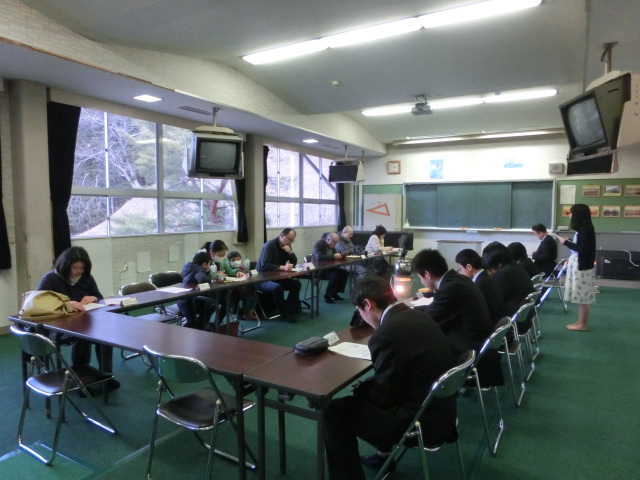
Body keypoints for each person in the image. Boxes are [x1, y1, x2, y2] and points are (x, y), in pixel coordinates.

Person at [323, 277, 456, 480]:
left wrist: (365, 389)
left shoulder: (386, 334)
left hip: (419, 421)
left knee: (332, 412)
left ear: (367, 304)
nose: (360, 315)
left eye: (359, 310)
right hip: (441, 411)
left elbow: (384, 397)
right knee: (369, 391)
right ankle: (384, 455)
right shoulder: (418, 315)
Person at [36, 246, 119, 389]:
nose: (79, 271)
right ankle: (81, 381)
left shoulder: (86, 278)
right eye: (75, 267)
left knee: (104, 336)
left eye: (82, 268)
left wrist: (93, 297)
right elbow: (39, 302)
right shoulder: (51, 278)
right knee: (82, 338)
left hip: (84, 322)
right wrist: (65, 303)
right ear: (66, 265)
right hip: (58, 327)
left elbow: (99, 297)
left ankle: (106, 374)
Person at [410, 249, 494, 357]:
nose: (421, 281)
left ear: (427, 274)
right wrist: (411, 310)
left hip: (466, 349)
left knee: (416, 338)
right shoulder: (460, 279)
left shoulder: (449, 289)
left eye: (420, 277)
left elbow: (427, 321)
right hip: (477, 341)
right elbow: (435, 308)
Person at [555, 204, 596, 331]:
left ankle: (582, 324)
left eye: (572, 212)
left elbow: (583, 249)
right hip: (581, 264)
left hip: (582, 266)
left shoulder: (585, 229)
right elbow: (582, 244)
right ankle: (580, 322)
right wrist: (570, 240)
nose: (570, 215)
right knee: (581, 296)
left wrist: (567, 243)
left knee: (583, 297)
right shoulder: (583, 228)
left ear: (578, 214)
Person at [482, 242, 535, 324]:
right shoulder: (514, 266)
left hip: (511, 319)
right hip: (523, 316)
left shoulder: (503, 274)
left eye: (490, 268)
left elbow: (494, 301)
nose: (490, 272)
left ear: (498, 263)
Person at [256, 228, 302, 323]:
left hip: (277, 277)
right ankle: (283, 314)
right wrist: (283, 267)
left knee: (296, 284)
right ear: (281, 236)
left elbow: (294, 263)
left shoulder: (287, 246)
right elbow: (264, 265)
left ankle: (290, 310)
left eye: (292, 240)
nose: (290, 242)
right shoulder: (269, 246)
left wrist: (290, 252)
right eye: (289, 239)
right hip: (262, 279)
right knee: (278, 287)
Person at [455, 248, 504, 325]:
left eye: (460, 269)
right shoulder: (485, 277)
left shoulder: (479, 284)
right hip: (495, 321)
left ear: (469, 267)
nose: (460, 273)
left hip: (488, 325)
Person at [178, 251, 213, 329]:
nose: (210, 266)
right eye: (209, 264)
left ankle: (200, 325)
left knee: (208, 303)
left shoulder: (187, 266)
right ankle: (201, 326)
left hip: (181, 300)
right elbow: (203, 280)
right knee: (210, 304)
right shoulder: (199, 269)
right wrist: (209, 275)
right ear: (204, 264)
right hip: (190, 302)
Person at [312, 232, 349, 303]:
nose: (335, 244)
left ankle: (334, 293)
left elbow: (333, 256)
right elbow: (319, 257)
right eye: (334, 242)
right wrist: (334, 256)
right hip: (319, 269)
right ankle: (327, 296)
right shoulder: (319, 244)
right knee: (335, 276)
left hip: (328, 267)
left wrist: (341, 256)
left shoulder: (331, 245)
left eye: (336, 242)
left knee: (344, 273)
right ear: (328, 240)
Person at [221, 250, 258, 320]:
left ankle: (250, 313)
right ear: (229, 262)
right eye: (233, 260)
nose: (236, 261)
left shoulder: (242, 268)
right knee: (247, 296)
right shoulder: (229, 270)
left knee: (254, 296)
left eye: (238, 259)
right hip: (234, 292)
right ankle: (242, 314)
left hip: (243, 290)